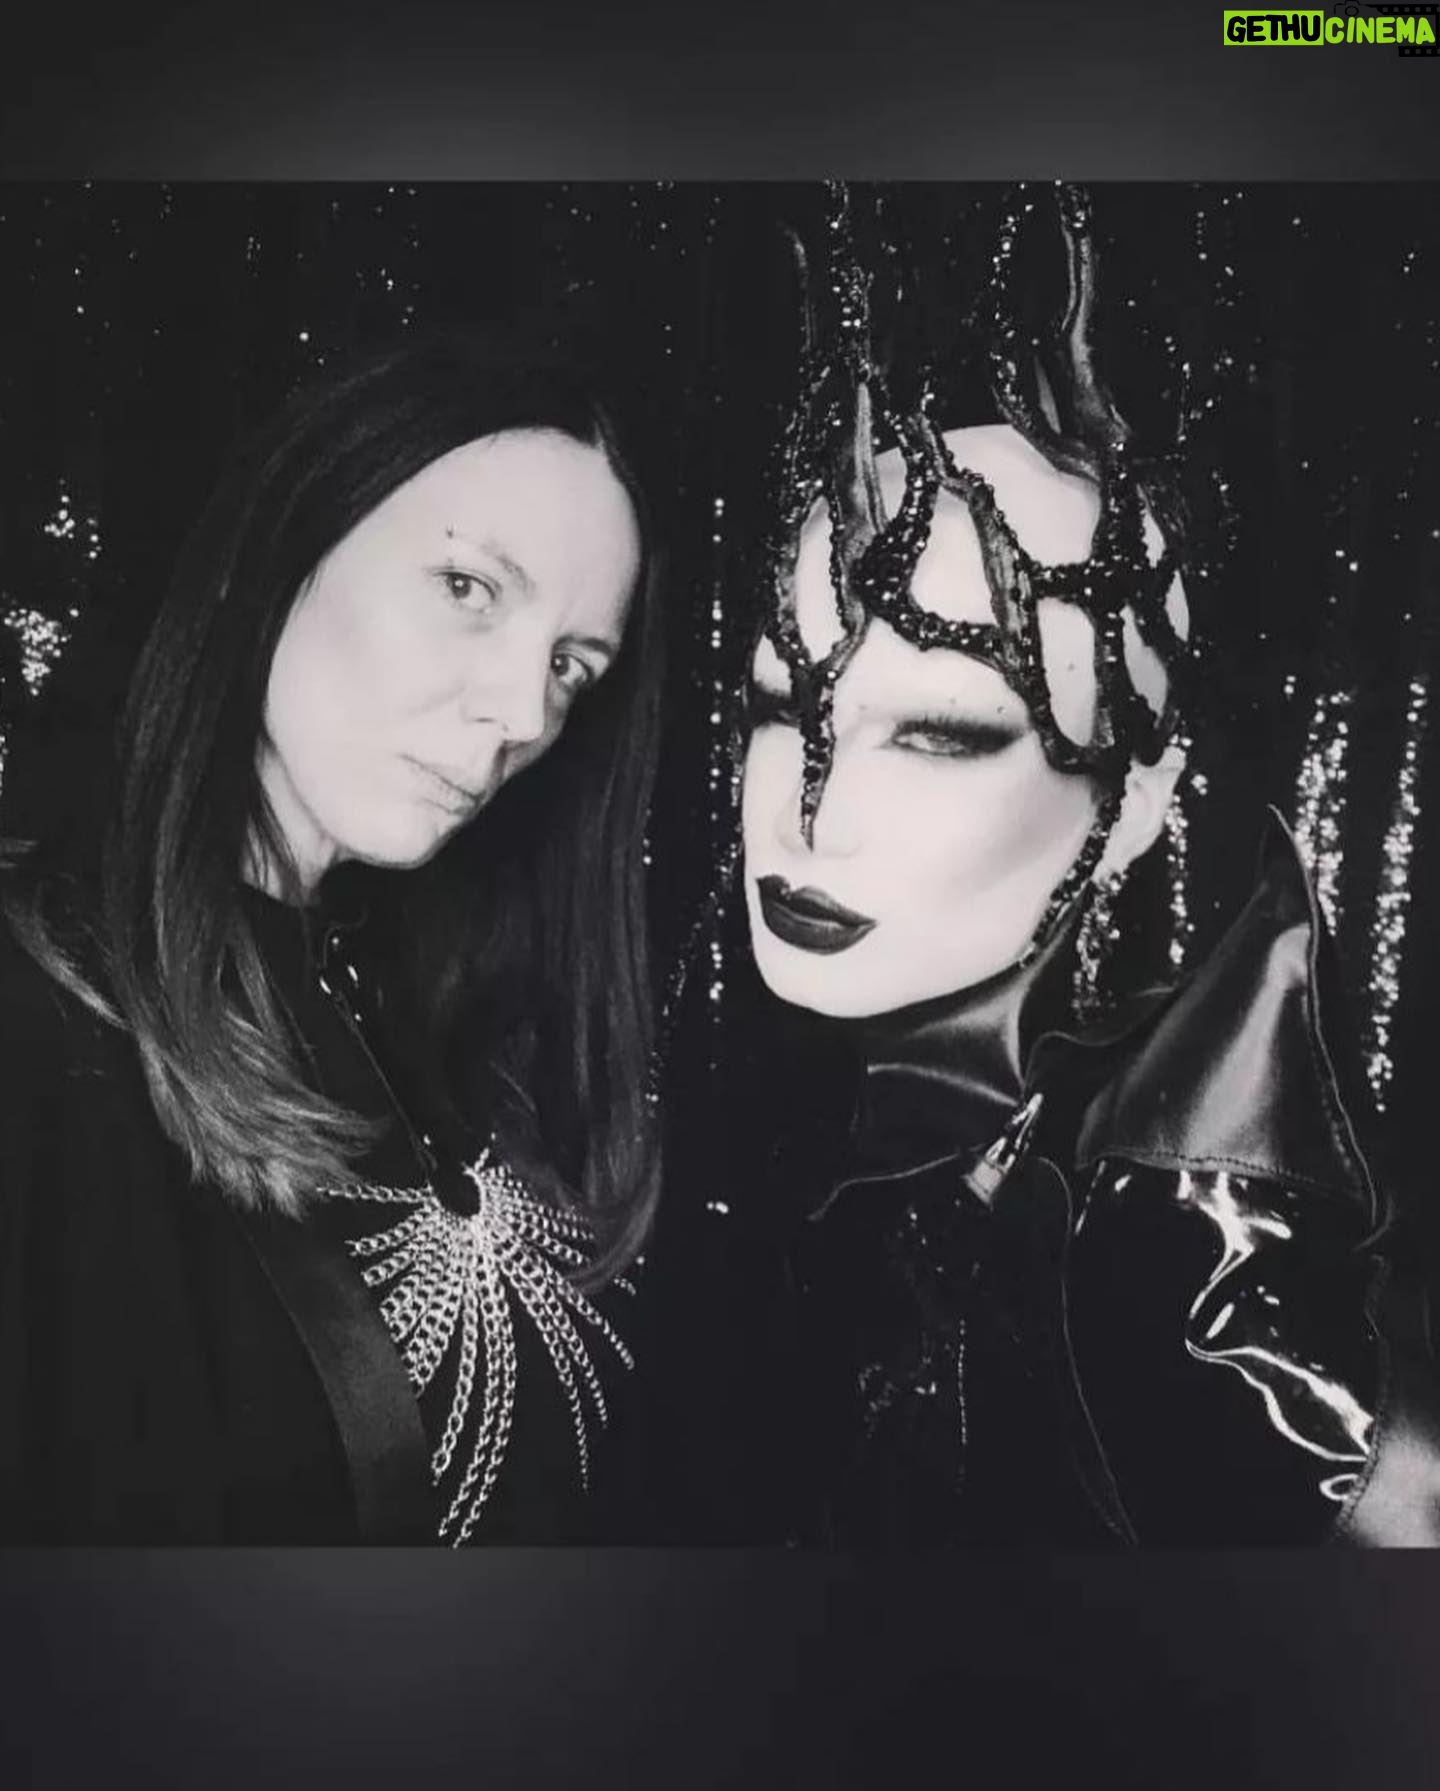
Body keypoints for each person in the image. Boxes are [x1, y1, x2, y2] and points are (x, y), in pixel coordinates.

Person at [645, 186, 1440, 1546]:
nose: (814, 817)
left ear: (1134, 809)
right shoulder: (848, 1165)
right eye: (784, 711)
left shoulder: (1200, 1303)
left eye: (942, 735)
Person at [0, 331, 665, 1544]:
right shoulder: (41, 1017)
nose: (521, 712)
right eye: (467, 588)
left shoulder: (454, 1008)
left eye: (573, 664)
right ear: (286, 542)